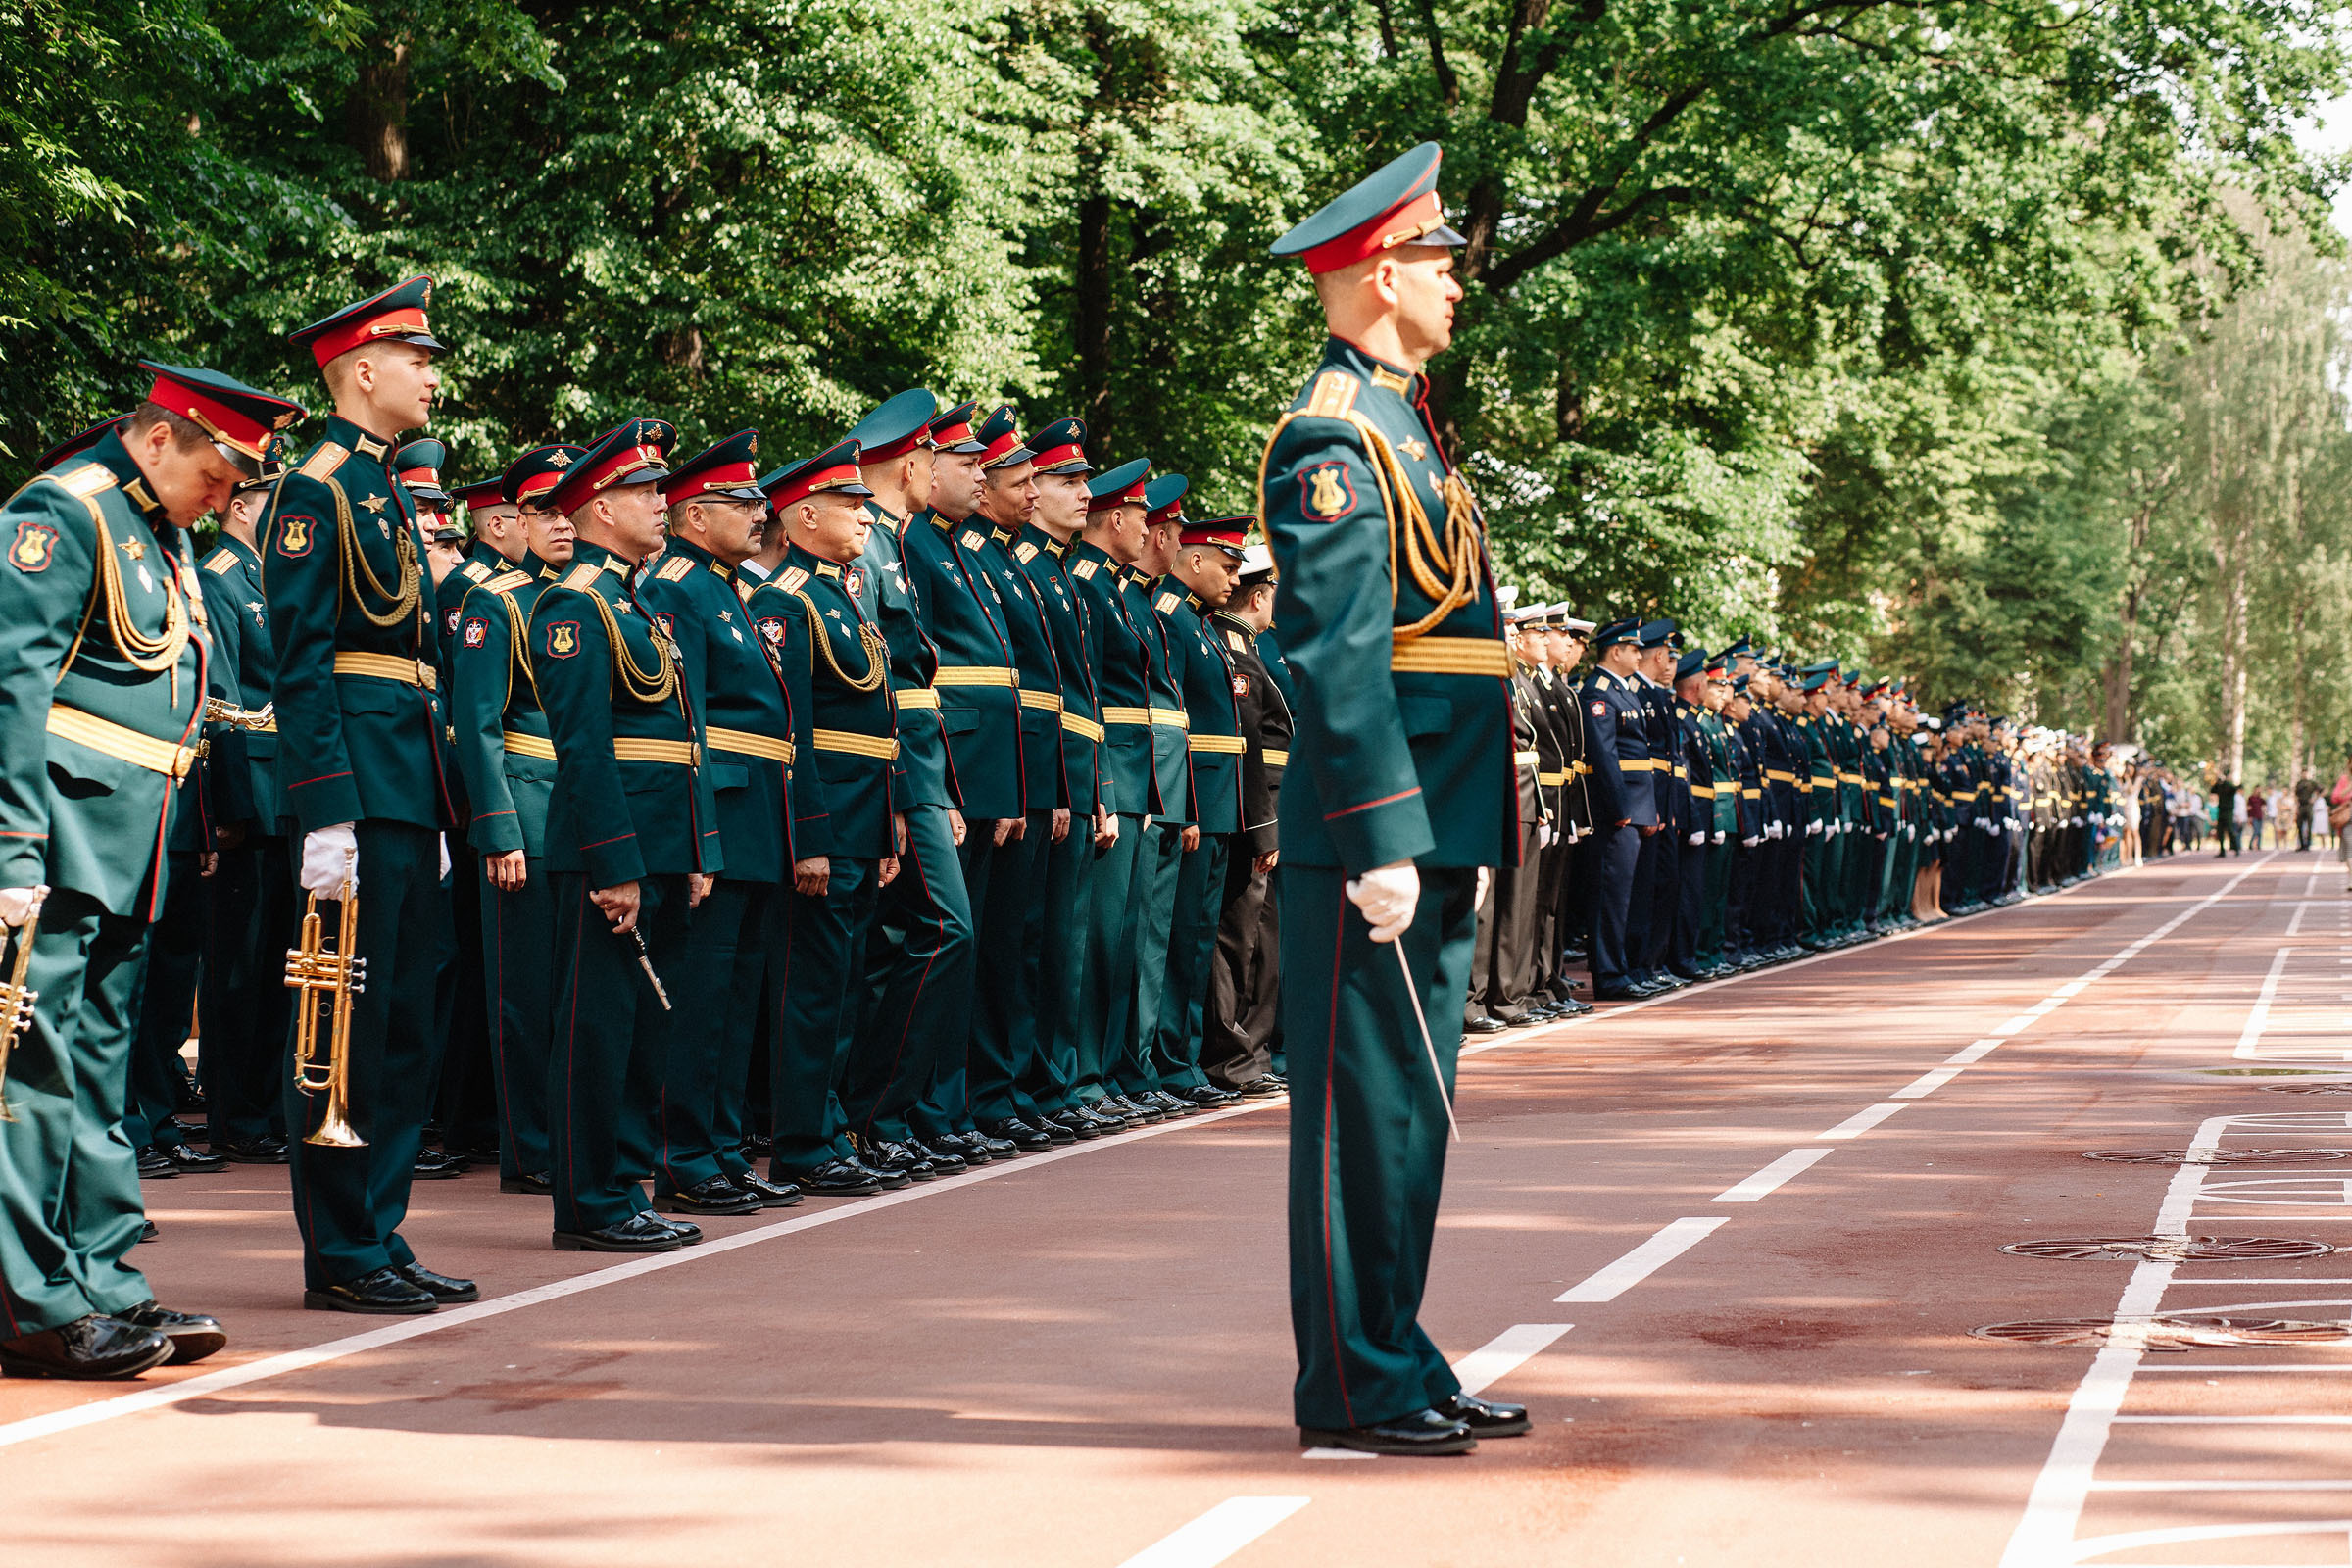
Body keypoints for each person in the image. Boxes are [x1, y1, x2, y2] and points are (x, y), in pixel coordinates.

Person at [1261, 141, 1524, 1455]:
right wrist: (1378, 834)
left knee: (1411, 1112)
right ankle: (1354, 1386)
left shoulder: (1406, 423)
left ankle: (1398, 1352)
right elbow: (1338, 651)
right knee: (1358, 1117)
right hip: (1383, 822)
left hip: (1441, 809)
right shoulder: (1335, 434)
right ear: (1378, 276)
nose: (1454, 282)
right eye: (1436, 260)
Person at [0, 367, 306, 1377]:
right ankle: (32, 1304)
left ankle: (102, 1279)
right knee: (33, 1072)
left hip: (134, 835)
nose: (223, 500)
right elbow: (11, 687)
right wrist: (10, 845)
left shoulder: (162, 530)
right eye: (217, 476)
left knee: (100, 1070)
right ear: (162, 437)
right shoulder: (65, 510)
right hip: (61, 831)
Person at [267, 277, 474, 1314]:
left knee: (401, 1026)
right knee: (342, 1021)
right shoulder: (317, 489)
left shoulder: (382, 486)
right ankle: (341, 1248)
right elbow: (303, 664)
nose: (432, 378)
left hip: (405, 785)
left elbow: (416, 664)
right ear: (361, 371)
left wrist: (429, 804)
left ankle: (380, 1229)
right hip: (356, 783)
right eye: (416, 361)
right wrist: (326, 810)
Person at [636, 429, 808, 1215]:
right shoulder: (679, 587)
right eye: (741, 502)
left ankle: (725, 1148)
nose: (758, 513)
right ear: (697, 515)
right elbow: (689, 721)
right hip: (723, 809)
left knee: (739, 996)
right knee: (703, 994)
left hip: (758, 810)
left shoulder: (728, 587)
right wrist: (700, 833)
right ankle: (684, 1155)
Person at [446, 441, 581, 1197]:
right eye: (543, 512)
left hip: (590, 814)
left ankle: (578, 1137)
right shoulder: (495, 602)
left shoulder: (598, 597)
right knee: (526, 994)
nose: (561, 524)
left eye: (570, 510)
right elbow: (476, 723)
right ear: (519, 521)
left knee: (583, 991)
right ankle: (532, 1149)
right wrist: (499, 827)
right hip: (527, 811)